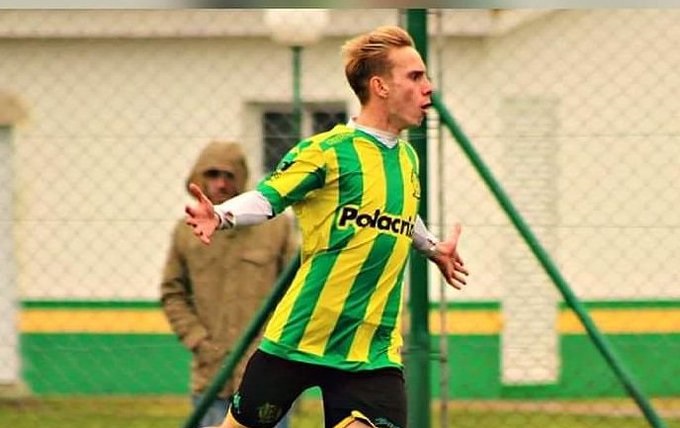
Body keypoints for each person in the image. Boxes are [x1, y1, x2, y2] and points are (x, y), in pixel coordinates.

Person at [185, 25, 469, 428]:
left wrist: (431, 246)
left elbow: (401, 213)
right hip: (301, 336)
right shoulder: (328, 152)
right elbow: (269, 197)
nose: (429, 87)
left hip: (372, 350)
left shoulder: (407, 160)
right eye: (415, 76)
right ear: (380, 86)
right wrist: (221, 215)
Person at [160, 141, 298, 428]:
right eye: (212, 175)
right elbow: (172, 292)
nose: (221, 184)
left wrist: (272, 341)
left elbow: (297, 290)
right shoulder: (186, 233)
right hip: (212, 375)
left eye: (229, 175)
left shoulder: (276, 227)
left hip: (267, 371)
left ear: (242, 178)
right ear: (198, 178)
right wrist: (199, 340)